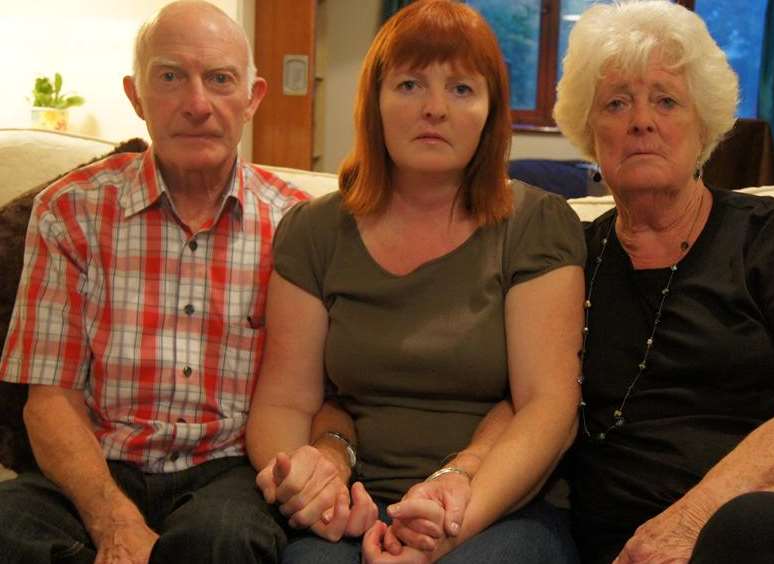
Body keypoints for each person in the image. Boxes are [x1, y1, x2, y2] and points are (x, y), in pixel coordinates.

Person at [245, 0, 586, 562]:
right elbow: (284, 400)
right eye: (409, 85)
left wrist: (451, 526)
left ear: (490, 111)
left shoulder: (536, 224)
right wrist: (312, 490)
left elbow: (547, 407)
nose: (434, 109)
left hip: (497, 504)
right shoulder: (313, 230)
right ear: (374, 103)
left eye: (460, 89)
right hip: (354, 501)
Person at [0, 2, 310, 562]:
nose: (197, 104)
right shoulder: (68, 212)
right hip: (99, 461)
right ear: (136, 94)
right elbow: (48, 401)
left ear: (253, 98)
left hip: (229, 469)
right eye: (170, 77)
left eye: (220, 80)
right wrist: (111, 519)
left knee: (224, 541)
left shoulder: (298, 225)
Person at [552, 1, 774, 563]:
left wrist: (694, 518)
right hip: (616, 541)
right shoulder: (570, 256)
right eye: (616, 102)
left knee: (747, 530)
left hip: (764, 522)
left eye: (666, 100)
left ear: (703, 123)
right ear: (590, 130)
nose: (642, 120)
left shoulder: (771, 237)